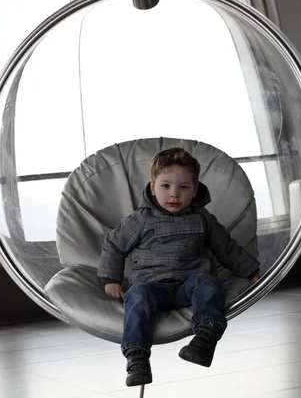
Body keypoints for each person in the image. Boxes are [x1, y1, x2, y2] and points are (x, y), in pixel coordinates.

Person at [98, 146, 262, 387]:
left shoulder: (202, 219)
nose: (174, 194)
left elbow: (226, 248)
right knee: (137, 297)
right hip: (151, 285)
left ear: (194, 190)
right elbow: (114, 245)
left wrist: (252, 272)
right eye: (165, 186)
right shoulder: (141, 219)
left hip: (189, 283)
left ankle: (204, 340)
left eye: (183, 187)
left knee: (209, 284)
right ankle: (137, 357)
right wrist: (110, 279)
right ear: (153, 187)